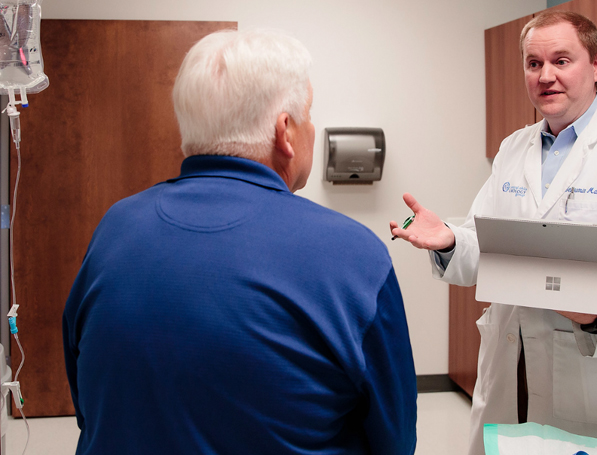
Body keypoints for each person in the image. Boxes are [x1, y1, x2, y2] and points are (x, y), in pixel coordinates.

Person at [63, 29, 417, 455]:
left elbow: (87, 402)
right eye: (308, 113)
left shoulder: (115, 229)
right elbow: (395, 440)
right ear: (285, 131)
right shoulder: (353, 256)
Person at [390, 11, 597, 455]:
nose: (546, 76)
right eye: (534, 64)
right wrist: (452, 240)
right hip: (515, 374)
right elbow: (491, 247)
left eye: (562, 61)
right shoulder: (515, 148)